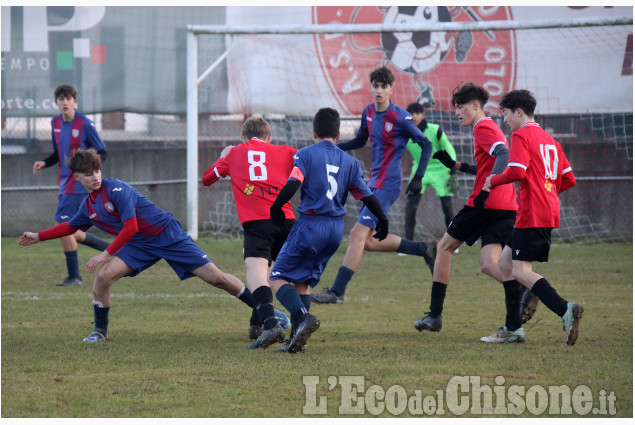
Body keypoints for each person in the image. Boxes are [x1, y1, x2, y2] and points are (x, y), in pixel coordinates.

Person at [19, 149, 264, 343]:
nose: (94, 176)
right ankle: (100, 331)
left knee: (215, 278)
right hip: (140, 245)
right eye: (88, 173)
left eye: (96, 171)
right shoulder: (88, 205)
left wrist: (105, 253)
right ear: (77, 177)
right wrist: (39, 236)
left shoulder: (116, 189)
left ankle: (267, 312)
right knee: (104, 277)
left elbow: (131, 227)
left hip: (166, 233)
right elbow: (70, 227)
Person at [268, 107, 389, 353]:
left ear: (314, 132)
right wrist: (382, 219)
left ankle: (302, 317)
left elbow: (293, 183)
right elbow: (367, 196)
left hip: (310, 225)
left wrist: (276, 207)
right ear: (337, 134)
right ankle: (296, 342)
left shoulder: (305, 154)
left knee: (276, 277)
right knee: (302, 282)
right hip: (335, 230)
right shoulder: (350, 161)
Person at [311, 67, 435, 305]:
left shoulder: (400, 117)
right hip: (373, 181)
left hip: (389, 183)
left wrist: (418, 176)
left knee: (357, 234)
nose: (379, 90)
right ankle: (424, 248)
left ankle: (337, 292)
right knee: (366, 241)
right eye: (375, 86)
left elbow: (426, 145)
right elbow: (360, 140)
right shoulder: (368, 112)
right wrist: (336, 148)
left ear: (391, 89)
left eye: (383, 86)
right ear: (370, 88)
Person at [414, 82, 518, 333]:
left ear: (475, 106)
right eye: (455, 108)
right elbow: (486, 165)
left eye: (461, 107)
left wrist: (486, 188)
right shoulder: (490, 126)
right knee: (488, 263)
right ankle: (524, 289)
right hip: (506, 204)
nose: (458, 112)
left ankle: (435, 316)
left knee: (444, 247)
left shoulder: (482, 127)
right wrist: (455, 164)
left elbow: (504, 155)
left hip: (485, 203)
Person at [481, 89, 582, 345]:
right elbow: (568, 178)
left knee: (520, 270)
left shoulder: (521, 135)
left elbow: (515, 171)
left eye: (505, 114)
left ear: (518, 112)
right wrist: (547, 190)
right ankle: (513, 328)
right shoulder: (550, 140)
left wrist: (493, 180)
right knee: (504, 264)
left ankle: (565, 308)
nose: (504, 120)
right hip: (544, 209)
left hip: (531, 212)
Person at [202, 117, 296, 349]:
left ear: (243, 138)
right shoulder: (285, 151)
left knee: (256, 275)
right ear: (269, 137)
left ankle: (271, 324)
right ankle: (279, 324)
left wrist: (225, 157)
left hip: (258, 222)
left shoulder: (235, 153)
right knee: (283, 274)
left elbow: (207, 179)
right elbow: (307, 163)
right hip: (287, 220)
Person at [32, 84, 110, 287]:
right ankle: (112, 250)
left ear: (75, 101)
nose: (65, 102)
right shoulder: (55, 122)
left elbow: (102, 152)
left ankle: (74, 276)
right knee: (72, 230)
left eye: (68, 98)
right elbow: (59, 153)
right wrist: (45, 163)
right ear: (56, 102)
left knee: (62, 226)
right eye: (61, 99)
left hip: (76, 185)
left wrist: (86, 172)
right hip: (64, 183)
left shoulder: (85, 123)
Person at [403, 101, 458, 244]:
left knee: (447, 206)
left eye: (417, 113)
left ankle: (452, 242)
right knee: (411, 206)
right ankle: (408, 242)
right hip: (420, 170)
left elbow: (448, 148)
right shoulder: (405, 133)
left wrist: (452, 168)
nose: (414, 116)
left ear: (423, 114)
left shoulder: (435, 130)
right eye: (411, 113)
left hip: (441, 169)